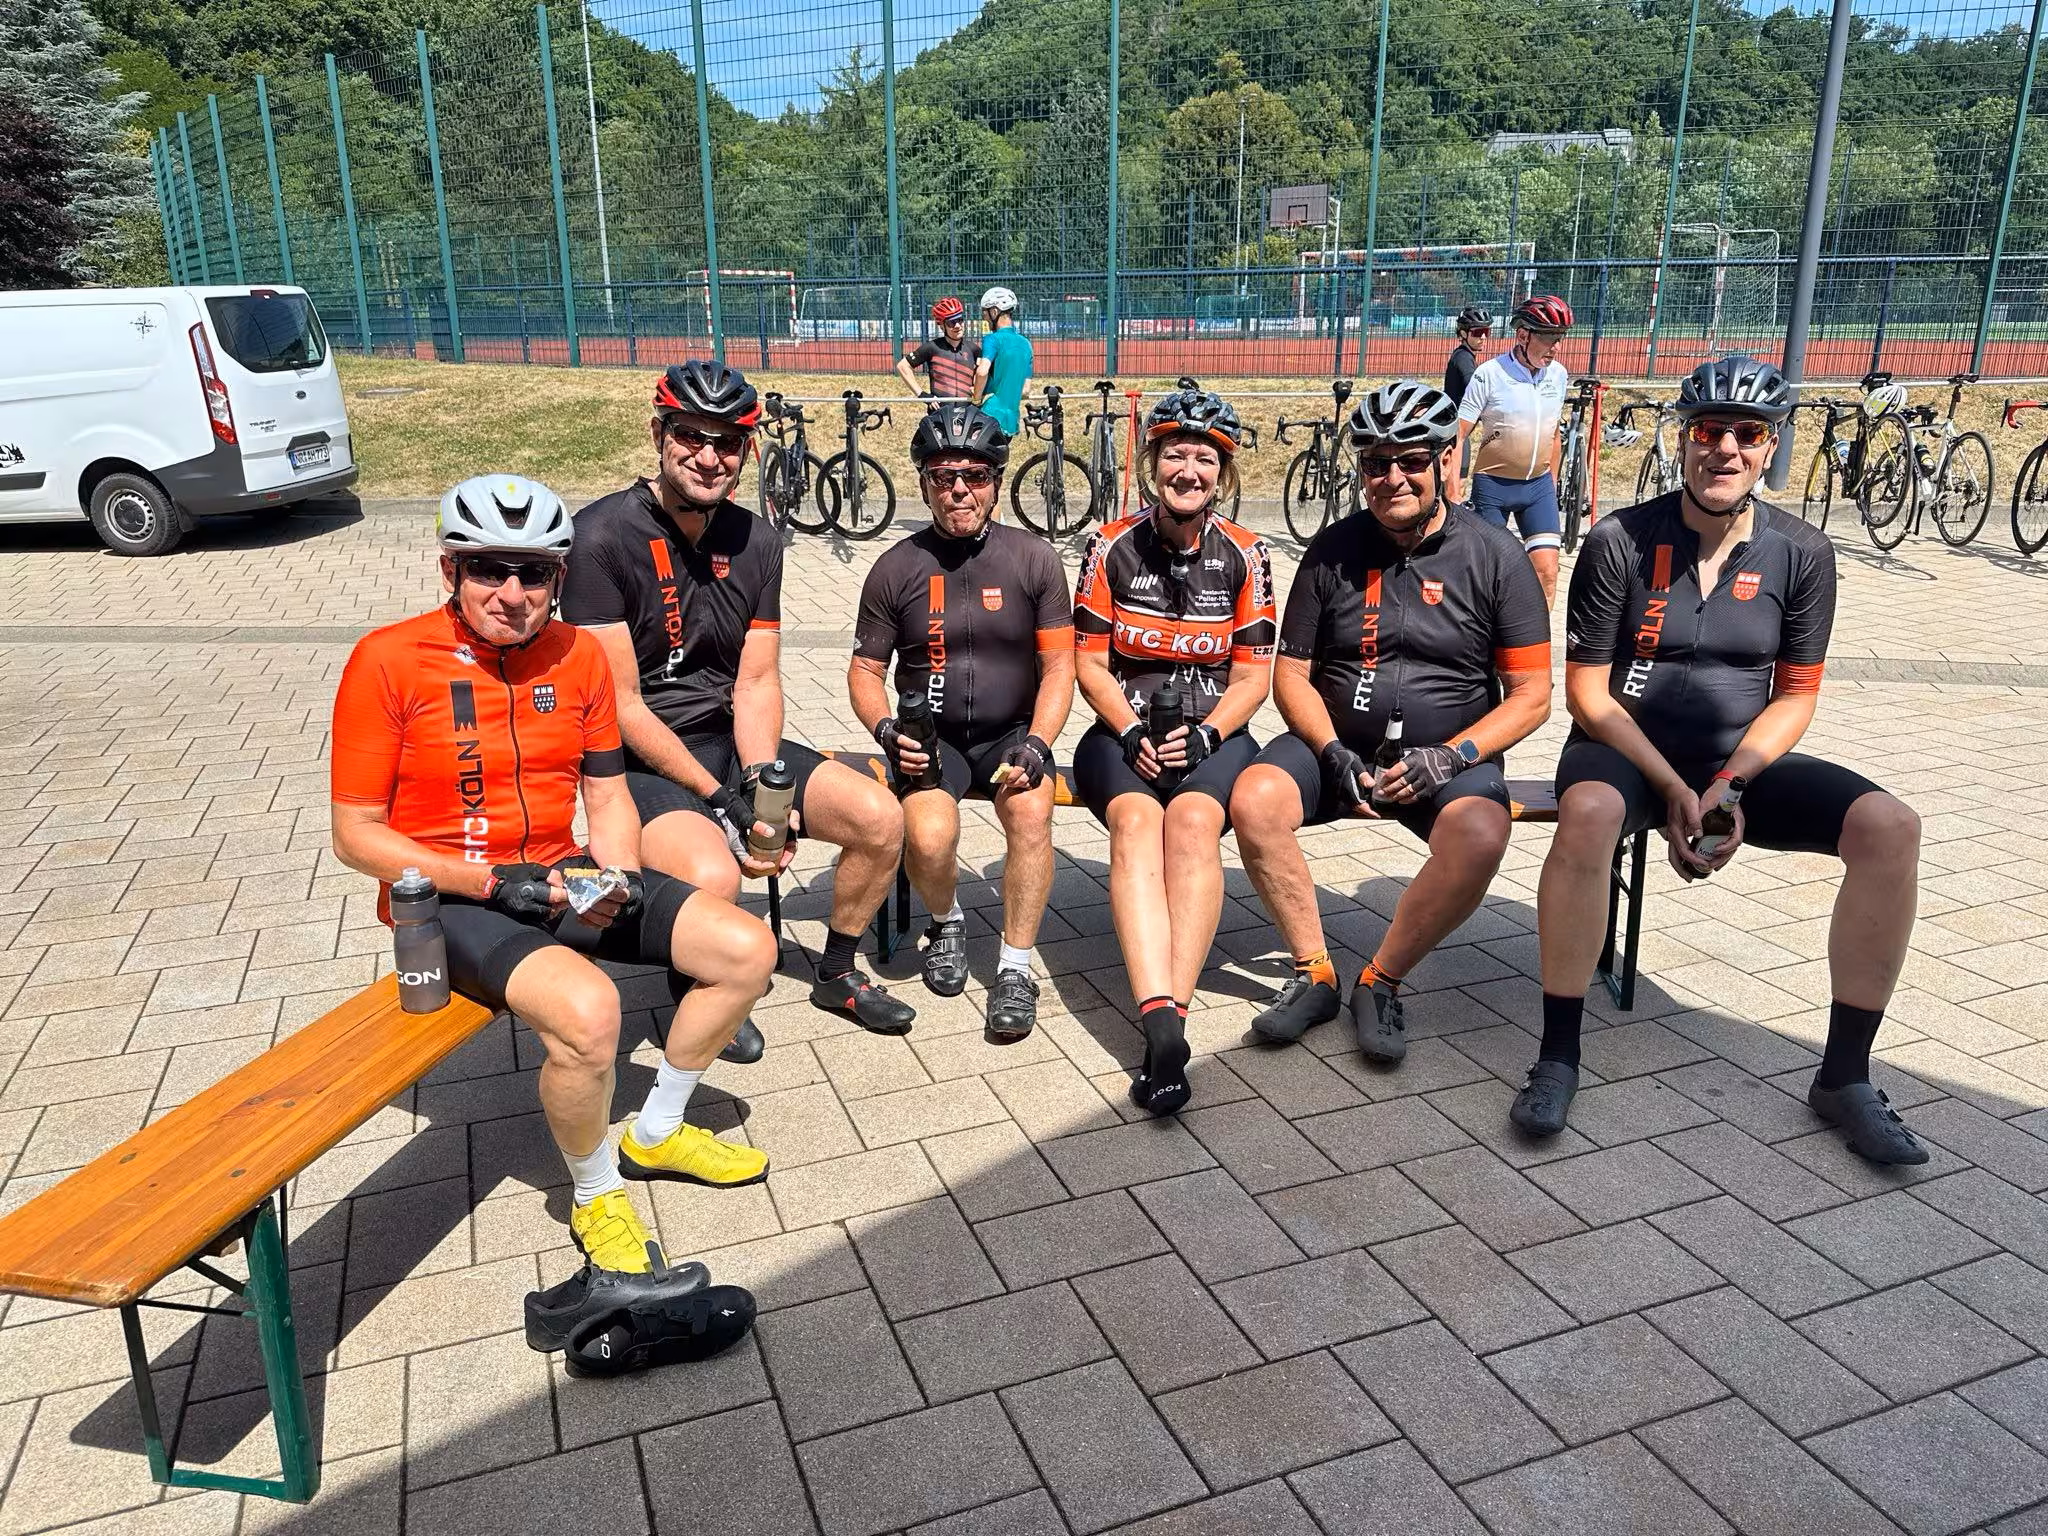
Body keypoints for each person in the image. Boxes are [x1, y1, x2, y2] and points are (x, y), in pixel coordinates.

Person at [329, 476, 780, 1284]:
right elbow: (355, 836)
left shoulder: (578, 657)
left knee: (746, 950)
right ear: (449, 570)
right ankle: (595, 1192)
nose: (512, 594)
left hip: (556, 872)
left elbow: (606, 795)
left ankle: (656, 1131)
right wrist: (488, 882)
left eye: (533, 573)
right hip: (444, 898)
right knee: (591, 1012)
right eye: (488, 569)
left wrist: (619, 875)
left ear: (558, 578)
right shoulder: (387, 660)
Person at [1517, 355, 1926, 1164]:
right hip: (1623, 755)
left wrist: (1729, 788)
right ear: (1683, 438)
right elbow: (1588, 698)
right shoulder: (1620, 540)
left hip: (1733, 766)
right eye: (1709, 430)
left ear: (1771, 446)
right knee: (1590, 812)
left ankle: (1845, 1077)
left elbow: (1795, 697)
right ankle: (1557, 1056)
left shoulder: (1803, 552)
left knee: (1892, 827)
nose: (1726, 449)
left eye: (1748, 433)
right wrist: (1676, 789)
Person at [561, 361, 915, 1036]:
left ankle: (837, 972)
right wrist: (725, 805)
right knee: (713, 871)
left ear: (747, 449)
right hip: (638, 759)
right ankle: (699, 978)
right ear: (658, 435)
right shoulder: (600, 538)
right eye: (690, 436)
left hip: (727, 742)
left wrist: (756, 783)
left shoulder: (757, 539)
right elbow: (622, 706)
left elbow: (755, 681)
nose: (708, 456)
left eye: (727, 442)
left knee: (879, 818)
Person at [1230, 381, 1552, 1062]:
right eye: (1376, 463)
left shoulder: (1497, 554)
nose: (1393, 477)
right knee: (1254, 798)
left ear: (1446, 461)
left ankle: (1380, 981)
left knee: (1482, 832)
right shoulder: (1332, 549)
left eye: (1411, 461)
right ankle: (1314, 973)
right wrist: (1329, 750)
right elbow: (1292, 673)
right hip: (1341, 745)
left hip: (1447, 756)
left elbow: (1533, 695)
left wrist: (1455, 755)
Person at [1073, 385, 1275, 1116]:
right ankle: (1157, 1019)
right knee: (1136, 822)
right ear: (1151, 463)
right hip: (1122, 732)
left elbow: (1254, 678)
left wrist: (1210, 733)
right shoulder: (1109, 545)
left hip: (1214, 728)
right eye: (1175, 456)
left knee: (1190, 824)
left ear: (1223, 474)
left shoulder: (1248, 554)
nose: (1188, 471)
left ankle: (1170, 1023)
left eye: (1205, 460)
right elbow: (1090, 663)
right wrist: (1131, 732)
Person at [848, 403, 1075, 1038]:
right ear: (923, 483)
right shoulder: (895, 567)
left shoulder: (1034, 559)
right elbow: (864, 671)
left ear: (996, 482)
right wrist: (887, 731)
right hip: (932, 739)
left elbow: (1060, 667)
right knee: (927, 836)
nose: (959, 490)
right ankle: (946, 922)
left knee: (1030, 815)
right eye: (943, 476)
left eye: (974, 476)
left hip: (1013, 735)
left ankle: (1015, 967)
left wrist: (1039, 741)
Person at [1449, 294, 1574, 608]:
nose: (1556, 347)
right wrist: (1452, 492)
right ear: (1522, 335)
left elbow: (1554, 433)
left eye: (1560, 338)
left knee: (1547, 573)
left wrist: (1551, 484)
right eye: (1548, 338)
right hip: (1494, 486)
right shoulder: (1490, 374)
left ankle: (1537, 639)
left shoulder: (1558, 375)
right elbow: (1458, 435)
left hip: (1538, 487)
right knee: (1487, 578)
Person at [973, 286, 1034, 436]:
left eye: (985, 314)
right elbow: (1026, 389)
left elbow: (982, 372)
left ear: (994, 311)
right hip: (1011, 421)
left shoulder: (992, 339)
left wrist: (977, 398)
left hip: (989, 415)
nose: (985, 319)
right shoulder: (1026, 344)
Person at [896, 296, 978, 402]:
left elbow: (988, 373)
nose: (957, 326)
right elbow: (902, 366)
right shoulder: (932, 347)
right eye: (951, 322)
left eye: (960, 320)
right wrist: (922, 395)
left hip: (968, 409)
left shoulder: (973, 349)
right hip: (941, 410)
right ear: (942, 326)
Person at [1443, 306, 1492, 408]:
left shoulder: (1463, 354)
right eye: (1478, 333)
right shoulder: (1463, 358)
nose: (1483, 337)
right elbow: (1474, 387)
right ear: (1463, 333)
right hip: (1458, 415)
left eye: (1486, 332)